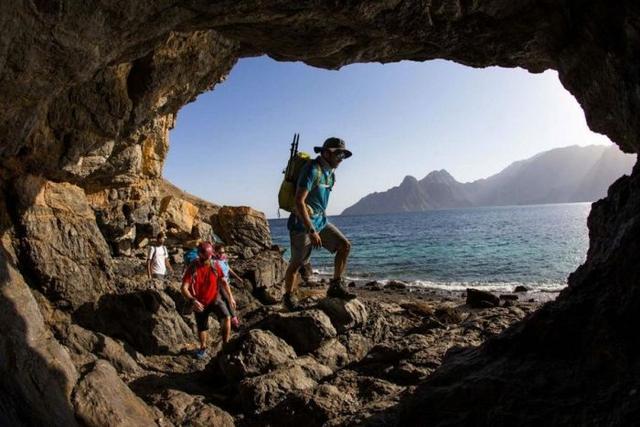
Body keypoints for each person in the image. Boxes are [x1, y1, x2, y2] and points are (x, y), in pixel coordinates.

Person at [283, 137, 356, 311]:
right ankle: (288, 298)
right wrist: (311, 230)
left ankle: (336, 286)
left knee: (344, 246)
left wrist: (317, 226)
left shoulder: (330, 174)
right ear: (326, 153)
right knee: (297, 263)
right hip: (302, 225)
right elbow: (299, 201)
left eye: (343, 155)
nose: (341, 159)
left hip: (320, 221)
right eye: (338, 154)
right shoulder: (311, 170)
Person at [181, 241, 236, 359]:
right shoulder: (193, 267)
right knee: (202, 327)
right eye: (206, 258)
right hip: (199, 301)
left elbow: (223, 282)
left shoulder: (215, 265)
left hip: (214, 298)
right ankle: (203, 347)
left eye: (210, 257)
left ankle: (225, 345)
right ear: (200, 256)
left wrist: (231, 297)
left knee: (226, 317)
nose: (208, 260)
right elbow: (184, 288)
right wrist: (192, 301)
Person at [214, 243, 242, 329]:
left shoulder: (224, 259)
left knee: (227, 301)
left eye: (223, 252)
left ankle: (231, 319)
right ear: (215, 252)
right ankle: (234, 321)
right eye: (220, 252)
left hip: (227, 283)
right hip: (220, 284)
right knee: (228, 300)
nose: (222, 254)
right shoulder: (215, 262)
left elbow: (228, 268)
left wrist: (237, 277)